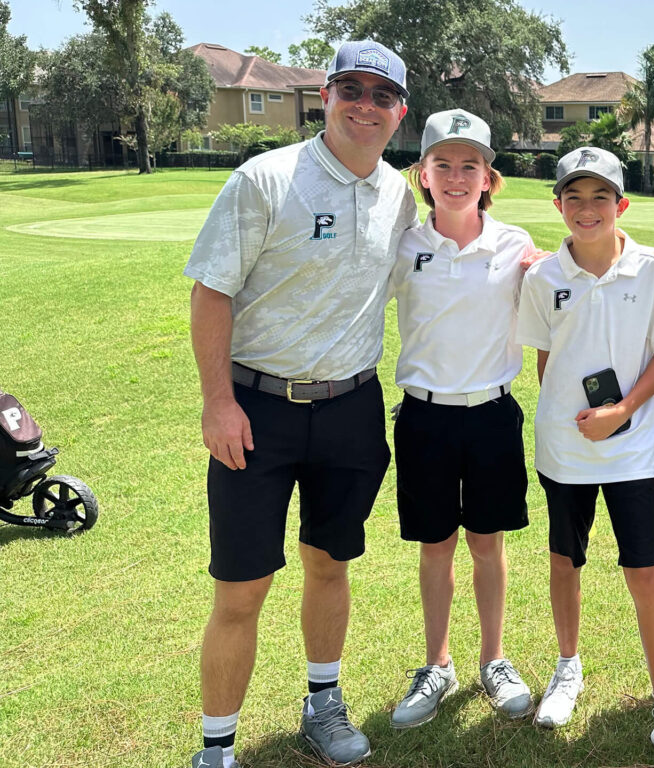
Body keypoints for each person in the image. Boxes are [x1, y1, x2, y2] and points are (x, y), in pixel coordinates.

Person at [184, 40, 416, 768]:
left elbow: (457, 257)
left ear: (400, 112)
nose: (365, 106)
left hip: (351, 409)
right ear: (326, 96)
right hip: (259, 411)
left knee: (329, 564)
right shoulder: (267, 178)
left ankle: (323, 704)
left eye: (382, 96)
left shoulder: (402, 196)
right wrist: (217, 402)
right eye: (352, 88)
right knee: (242, 587)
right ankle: (217, 749)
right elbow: (211, 290)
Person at [517, 148, 654, 767]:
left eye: (601, 197)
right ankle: (567, 668)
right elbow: (548, 362)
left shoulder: (651, 269)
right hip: (564, 448)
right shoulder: (544, 277)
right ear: (559, 206)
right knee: (564, 558)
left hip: (629, 450)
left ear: (621, 204)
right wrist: (576, 419)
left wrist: (620, 412)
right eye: (575, 197)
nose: (587, 209)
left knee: (644, 570)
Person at [385, 109, 537, 730]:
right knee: (436, 545)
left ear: (487, 176)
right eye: (442, 165)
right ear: (423, 174)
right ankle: (437, 663)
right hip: (424, 418)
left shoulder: (514, 244)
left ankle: (493, 659)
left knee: (487, 543)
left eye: (469, 165)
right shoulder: (404, 246)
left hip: (492, 414)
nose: (455, 176)